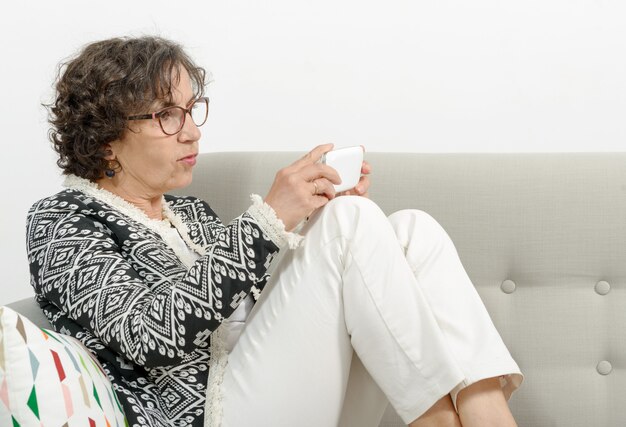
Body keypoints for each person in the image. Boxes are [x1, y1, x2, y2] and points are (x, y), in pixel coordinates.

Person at [26, 36, 523, 427]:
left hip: (271, 399)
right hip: (203, 417)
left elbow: (250, 311)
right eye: (166, 115)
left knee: (413, 229)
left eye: (191, 109)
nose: (192, 131)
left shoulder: (189, 213)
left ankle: (488, 414)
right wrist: (272, 221)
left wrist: (318, 222)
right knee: (351, 225)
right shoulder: (60, 223)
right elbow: (150, 335)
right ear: (106, 137)